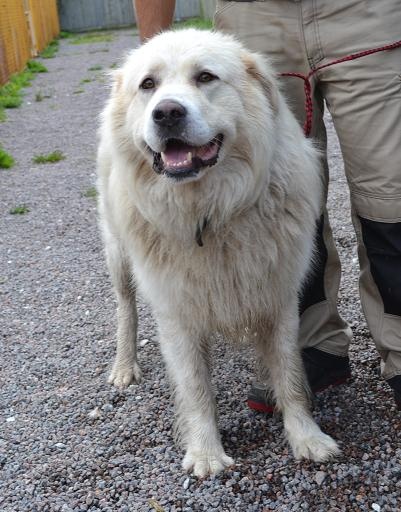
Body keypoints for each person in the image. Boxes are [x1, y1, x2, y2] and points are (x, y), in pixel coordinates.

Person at [133, 0, 401, 411]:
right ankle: (312, 347)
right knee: (277, 196)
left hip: (365, 12)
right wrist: (155, 69)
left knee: (391, 196)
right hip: (253, 14)